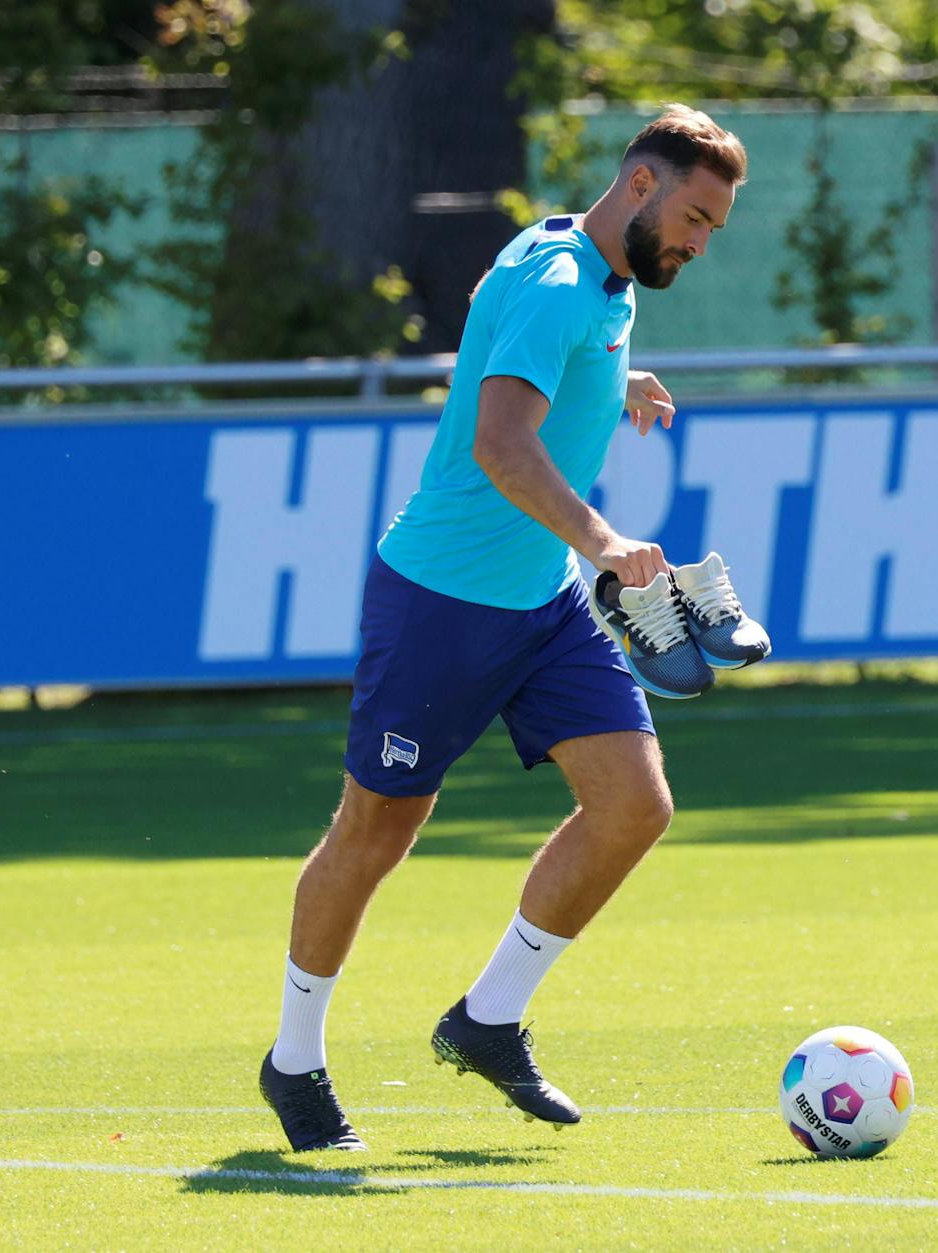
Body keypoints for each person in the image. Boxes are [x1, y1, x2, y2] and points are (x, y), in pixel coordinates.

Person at [259, 105, 768, 1152]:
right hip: (439, 603)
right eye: (694, 216)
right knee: (375, 833)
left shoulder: (592, 268)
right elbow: (498, 443)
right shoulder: (553, 281)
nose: (699, 242)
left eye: (713, 226)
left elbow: (534, 355)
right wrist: (604, 540)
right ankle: (293, 1059)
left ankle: (486, 1018)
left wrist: (607, 383)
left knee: (633, 805)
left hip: (536, 607)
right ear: (638, 182)